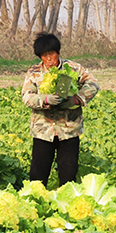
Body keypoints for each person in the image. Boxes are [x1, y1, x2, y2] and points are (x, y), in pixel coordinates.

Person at [21, 32, 99, 186]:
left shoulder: (73, 68)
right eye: (44, 55)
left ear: (58, 52)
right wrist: (44, 99)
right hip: (43, 131)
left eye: (51, 54)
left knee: (68, 172)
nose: (49, 59)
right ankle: (36, 203)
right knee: (38, 173)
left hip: (69, 130)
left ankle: (66, 204)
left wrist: (76, 99)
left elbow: (93, 84)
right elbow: (27, 96)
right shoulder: (33, 72)